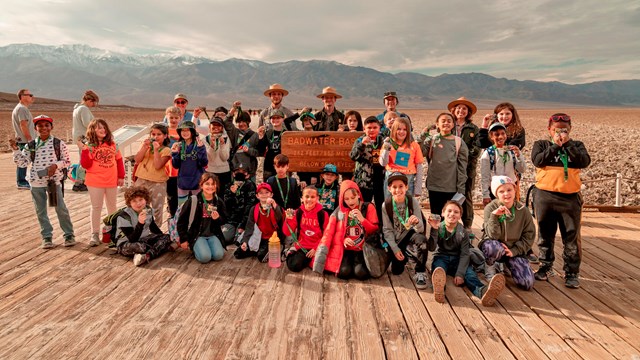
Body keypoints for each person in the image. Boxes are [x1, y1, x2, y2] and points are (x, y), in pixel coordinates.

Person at [532, 113, 591, 289]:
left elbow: (584, 162)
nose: (560, 133)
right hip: (545, 196)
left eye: (564, 130)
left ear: (570, 130)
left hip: (570, 197)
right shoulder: (541, 144)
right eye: (557, 130)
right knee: (545, 233)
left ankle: (572, 272)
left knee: (571, 236)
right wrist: (555, 147)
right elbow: (538, 160)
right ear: (549, 130)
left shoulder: (577, 145)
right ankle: (545, 266)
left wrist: (568, 145)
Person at [10, 115, 75, 249]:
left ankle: (69, 235)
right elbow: (23, 163)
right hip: (36, 183)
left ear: (51, 127)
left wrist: (55, 166)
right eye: (40, 125)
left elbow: (67, 161)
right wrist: (15, 150)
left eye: (46, 125)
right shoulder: (31, 145)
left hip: (53, 182)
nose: (43, 128)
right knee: (40, 211)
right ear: (35, 128)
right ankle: (46, 237)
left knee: (60, 208)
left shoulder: (58, 143)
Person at [429, 201, 505, 306]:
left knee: (470, 275)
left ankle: (483, 292)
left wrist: (460, 274)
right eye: (449, 211)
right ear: (443, 213)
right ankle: (439, 290)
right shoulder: (439, 227)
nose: (452, 214)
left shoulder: (463, 232)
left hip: (458, 258)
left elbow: (465, 254)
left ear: (460, 216)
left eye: (456, 212)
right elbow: (431, 248)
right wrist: (434, 230)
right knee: (438, 269)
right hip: (442, 257)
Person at [313, 180, 379, 279]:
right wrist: (343, 240)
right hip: (346, 249)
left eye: (353, 197)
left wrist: (362, 219)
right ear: (342, 199)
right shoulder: (340, 211)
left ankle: (355, 266)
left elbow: (374, 231)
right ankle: (350, 265)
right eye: (346, 199)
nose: (351, 202)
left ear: (358, 195)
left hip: (362, 249)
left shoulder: (368, 207)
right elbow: (330, 233)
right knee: (343, 273)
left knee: (361, 274)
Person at [478, 176, 536, 290]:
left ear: (515, 190)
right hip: (496, 246)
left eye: (509, 190)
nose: (506, 194)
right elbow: (492, 235)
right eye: (501, 191)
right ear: (496, 194)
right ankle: (490, 267)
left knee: (527, 283)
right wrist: (494, 216)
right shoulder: (490, 208)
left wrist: (514, 251)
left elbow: (529, 235)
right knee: (493, 247)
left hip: (513, 250)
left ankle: (506, 265)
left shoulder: (523, 211)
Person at [80, 119, 125, 246]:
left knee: (112, 206)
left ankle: (112, 232)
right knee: (96, 207)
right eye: (99, 127)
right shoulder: (89, 146)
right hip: (95, 181)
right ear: (92, 130)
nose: (102, 130)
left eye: (104, 127)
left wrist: (121, 176)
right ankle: (94, 233)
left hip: (111, 180)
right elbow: (86, 165)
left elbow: (119, 161)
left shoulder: (113, 145)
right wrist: (85, 151)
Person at [382, 172, 429, 289]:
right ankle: (409, 254)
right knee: (396, 271)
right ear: (389, 189)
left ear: (406, 187)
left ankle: (420, 272)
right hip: (398, 240)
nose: (398, 190)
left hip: (411, 234)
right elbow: (387, 231)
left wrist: (417, 222)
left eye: (401, 186)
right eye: (394, 187)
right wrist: (395, 249)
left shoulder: (412, 201)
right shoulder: (386, 205)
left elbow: (421, 229)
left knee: (422, 241)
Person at [420, 113, 468, 216]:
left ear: (453, 124)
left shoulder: (459, 142)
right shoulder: (432, 140)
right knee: (435, 214)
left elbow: (462, 166)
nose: (446, 123)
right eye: (443, 121)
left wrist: (461, 187)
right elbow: (420, 153)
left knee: (449, 215)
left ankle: (447, 232)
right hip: (434, 185)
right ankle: (435, 232)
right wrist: (423, 134)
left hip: (451, 186)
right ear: (437, 124)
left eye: (449, 121)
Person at [114, 186, 175, 266]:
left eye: (141, 199)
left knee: (168, 237)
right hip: (126, 244)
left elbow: (154, 229)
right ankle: (159, 249)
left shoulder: (148, 210)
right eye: (134, 201)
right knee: (141, 247)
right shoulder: (124, 216)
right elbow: (132, 239)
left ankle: (147, 255)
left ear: (145, 199)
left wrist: (164, 238)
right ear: (129, 203)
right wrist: (140, 223)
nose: (138, 203)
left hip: (143, 239)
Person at [177, 173, 228, 264]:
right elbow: (181, 221)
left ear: (216, 186)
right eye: (207, 184)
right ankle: (196, 248)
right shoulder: (193, 200)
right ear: (201, 185)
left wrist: (217, 218)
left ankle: (205, 247)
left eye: (213, 184)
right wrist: (183, 239)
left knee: (218, 256)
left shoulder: (218, 201)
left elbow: (224, 220)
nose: (210, 186)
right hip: (197, 235)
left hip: (212, 234)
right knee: (205, 258)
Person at [448, 97, 481, 233]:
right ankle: (448, 223)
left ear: (468, 112)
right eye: (458, 108)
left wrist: (461, 154)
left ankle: (467, 225)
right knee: (449, 193)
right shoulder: (447, 125)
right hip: (449, 167)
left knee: (466, 195)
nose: (461, 110)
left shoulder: (474, 129)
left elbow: (476, 149)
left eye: (464, 108)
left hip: (467, 167)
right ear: (454, 110)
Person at [234, 183, 284, 262]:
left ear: (271, 195)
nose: (264, 195)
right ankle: (256, 249)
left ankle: (272, 248)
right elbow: (249, 227)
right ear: (257, 196)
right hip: (258, 236)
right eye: (261, 193)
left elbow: (280, 219)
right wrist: (245, 242)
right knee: (238, 253)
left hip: (272, 238)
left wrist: (274, 205)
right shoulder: (254, 209)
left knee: (261, 256)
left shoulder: (276, 207)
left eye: (267, 192)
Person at [282, 186, 328, 272]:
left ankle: (310, 261)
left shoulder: (323, 214)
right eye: (307, 196)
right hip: (302, 247)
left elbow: (326, 235)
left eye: (313, 197)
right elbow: (287, 232)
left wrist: (316, 248)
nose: (309, 199)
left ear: (317, 198)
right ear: (302, 198)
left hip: (318, 246)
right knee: (294, 265)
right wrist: (289, 219)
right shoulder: (297, 212)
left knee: (326, 267)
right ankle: (291, 252)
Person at [133, 123, 172, 225]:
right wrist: (144, 148)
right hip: (141, 180)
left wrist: (155, 150)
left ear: (165, 136)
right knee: (138, 206)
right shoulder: (146, 146)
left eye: (159, 134)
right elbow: (137, 160)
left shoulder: (166, 150)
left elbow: (157, 165)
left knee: (156, 208)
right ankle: (139, 228)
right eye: (153, 134)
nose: (155, 137)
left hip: (157, 183)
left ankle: (155, 231)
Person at [480, 122, 525, 205]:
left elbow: (521, 169)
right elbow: (485, 176)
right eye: (497, 135)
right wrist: (485, 195)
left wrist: (519, 156)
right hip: (495, 191)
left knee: (511, 215)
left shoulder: (513, 150)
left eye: (502, 133)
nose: (500, 137)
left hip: (511, 189)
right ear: (491, 137)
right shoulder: (488, 153)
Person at [350, 116, 385, 221]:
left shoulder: (382, 141)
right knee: (364, 205)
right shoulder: (359, 141)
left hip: (380, 179)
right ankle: (364, 227)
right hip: (364, 180)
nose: (372, 130)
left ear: (379, 128)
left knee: (380, 205)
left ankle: (380, 228)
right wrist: (362, 145)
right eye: (369, 128)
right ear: (364, 129)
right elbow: (353, 156)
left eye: (375, 127)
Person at [380, 117, 424, 198]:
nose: (402, 132)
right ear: (393, 130)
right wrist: (386, 149)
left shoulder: (414, 145)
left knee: (407, 206)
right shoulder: (388, 143)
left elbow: (419, 167)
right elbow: (383, 163)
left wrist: (418, 189)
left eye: (405, 129)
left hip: (408, 181)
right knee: (389, 206)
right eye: (399, 129)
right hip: (390, 179)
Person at [171, 121, 208, 206]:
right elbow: (175, 165)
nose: (185, 133)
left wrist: (201, 149)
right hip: (183, 182)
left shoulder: (199, 144)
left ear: (192, 132)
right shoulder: (178, 146)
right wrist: (175, 153)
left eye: (187, 130)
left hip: (197, 181)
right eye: (182, 130)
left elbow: (203, 163)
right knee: (182, 206)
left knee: (198, 205)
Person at [222, 163, 257, 245]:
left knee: (242, 241)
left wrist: (242, 225)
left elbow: (250, 206)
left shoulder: (250, 186)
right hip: (231, 220)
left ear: (247, 175)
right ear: (233, 173)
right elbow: (226, 205)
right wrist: (232, 193)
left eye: (243, 171)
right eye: (237, 171)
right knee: (225, 238)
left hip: (246, 221)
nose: (240, 173)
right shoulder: (229, 186)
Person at [71, 90, 99, 192]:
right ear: (89, 100)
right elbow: (87, 123)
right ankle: (79, 182)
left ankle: (80, 181)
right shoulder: (83, 109)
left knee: (83, 158)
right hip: (84, 138)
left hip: (79, 137)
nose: (94, 104)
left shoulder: (77, 108)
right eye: (93, 102)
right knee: (85, 159)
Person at [225, 103, 260, 180]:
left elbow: (258, 152)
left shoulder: (255, 135)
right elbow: (226, 122)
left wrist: (249, 150)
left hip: (249, 172)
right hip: (235, 170)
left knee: (250, 190)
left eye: (243, 121)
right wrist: (233, 109)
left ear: (248, 122)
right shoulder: (235, 132)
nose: (241, 124)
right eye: (239, 122)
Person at [12, 89, 36, 190]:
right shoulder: (22, 109)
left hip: (23, 139)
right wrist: (29, 139)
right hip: (24, 140)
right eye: (30, 95)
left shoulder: (21, 108)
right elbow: (23, 124)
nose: (32, 97)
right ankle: (21, 181)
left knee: (24, 160)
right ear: (22, 96)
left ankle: (23, 180)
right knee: (23, 160)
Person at [258, 109, 288, 181]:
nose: (275, 120)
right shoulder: (268, 133)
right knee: (268, 186)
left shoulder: (286, 133)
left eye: (278, 118)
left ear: (283, 119)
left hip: (282, 165)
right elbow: (261, 150)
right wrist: (261, 137)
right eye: (273, 118)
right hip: (269, 164)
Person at [204, 117, 231, 192]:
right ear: (209, 127)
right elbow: (210, 158)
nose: (216, 127)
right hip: (210, 171)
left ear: (222, 128)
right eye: (214, 125)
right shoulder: (205, 139)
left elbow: (225, 157)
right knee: (211, 193)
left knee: (224, 196)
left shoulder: (226, 139)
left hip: (224, 171)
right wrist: (212, 147)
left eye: (219, 125)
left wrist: (222, 145)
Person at [165, 106, 182, 217]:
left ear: (180, 118)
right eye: (171, 118)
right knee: (171, 196)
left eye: (176, 118)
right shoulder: (164, 131)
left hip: (181, 169)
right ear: (167, 117)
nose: (174, 120)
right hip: (168, 169)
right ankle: (172, 218)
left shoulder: (183, 131)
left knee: (181, 195)